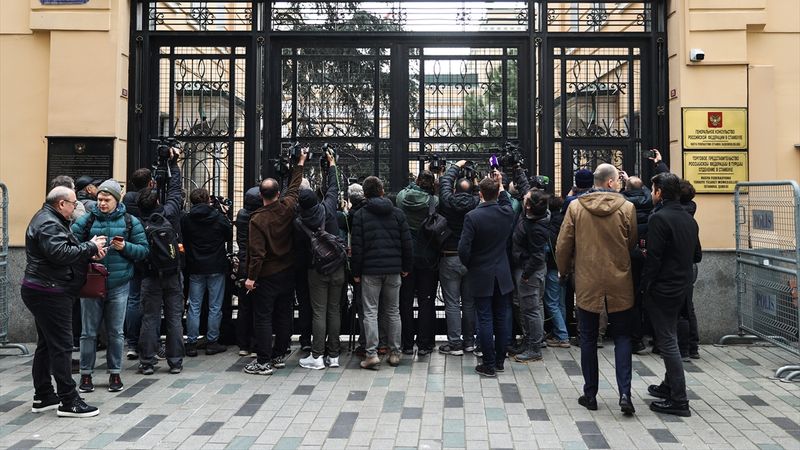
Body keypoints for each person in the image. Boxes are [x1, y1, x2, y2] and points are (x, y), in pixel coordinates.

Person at [556, 163, 638, 415]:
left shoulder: (576, 207)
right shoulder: (627, 207)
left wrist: (565, 269)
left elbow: (563, 244)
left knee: (588, 338)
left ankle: (590, 394)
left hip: (587, 279)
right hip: (619, 279)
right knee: (623, 336)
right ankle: (625, 393)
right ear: (611, 182)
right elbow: (631, 241)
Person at [21, 186, 104, 417]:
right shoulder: (48, 222)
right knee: (62, 346)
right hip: (49, 291)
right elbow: (59, 253)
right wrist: (90, 247)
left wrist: (89, 251)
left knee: (48, 344)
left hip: (45, 288)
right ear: (61, 204)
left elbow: (65, 250)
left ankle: (44, 395)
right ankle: (69, 401)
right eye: (74, 203)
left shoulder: (51, 219)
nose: (76, 207)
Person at [71, 179, 149, 393]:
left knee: (116, 332)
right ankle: (85, 375)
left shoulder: (130, 222)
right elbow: (71, 247)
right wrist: (90, 250)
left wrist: (125, 247)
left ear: (117, 200)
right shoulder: (86, 221)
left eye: (106, 200)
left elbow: (143, 251)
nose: (102, 203)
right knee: (88, 333)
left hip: (119, 283)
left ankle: (115, 373)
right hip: (91, 282)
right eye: (99, 199)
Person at [643, 173, 702, 417]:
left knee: (667, 340)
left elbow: (654, 258)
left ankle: (679, 399)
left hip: (663, 287)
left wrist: (645, 285)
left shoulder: (659, 219)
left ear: (658, 192)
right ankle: (669, 386)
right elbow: (697, 255)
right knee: (672, 338)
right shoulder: (689, 219)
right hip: (682, 284)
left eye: (653, 189)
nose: (651, 193)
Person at [243, 149, 307, 376]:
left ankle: (263, 360)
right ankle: (280, 352)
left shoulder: (257, 219)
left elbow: (257, 253)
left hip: (267, 274)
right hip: (287, 270)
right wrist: (300, 163)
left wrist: (251, 277)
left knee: (263, 317)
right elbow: (295, 187)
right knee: (283, 313)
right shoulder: (287, 207)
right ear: (277, 193)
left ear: (261, 195)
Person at [351, 176, 413, 370]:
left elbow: (357, 247)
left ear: (366, 194)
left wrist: (356, 271)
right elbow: (407, 243)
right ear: (382, 191)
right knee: (393, 311)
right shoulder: (397, 213)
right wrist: (406, 267)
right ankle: (395, 352)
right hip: (394, 270)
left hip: (370, 270)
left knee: (370, 312)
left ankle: (371, 354)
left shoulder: (360, 215)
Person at [458, 171, 516, 377]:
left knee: (484, 318)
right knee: (501, 317)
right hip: (502, 273)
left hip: (481, 273)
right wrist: (500, 185)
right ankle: (500, 360)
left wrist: (471, 264)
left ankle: (488, 363)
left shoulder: (473, 217)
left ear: (480, 193)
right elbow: (507, 201)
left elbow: (463, 249)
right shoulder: (506, 213)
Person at [135, 150, 185, 375]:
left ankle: (147, 361)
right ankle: (175, 362)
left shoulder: (136, 221)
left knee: (150, 318)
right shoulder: (170, 213)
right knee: (174, 318)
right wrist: (174, 165)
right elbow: (175, 191)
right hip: (173, 273)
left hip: (149, 274)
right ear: (157, 200)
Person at [297, 152, 346, 369]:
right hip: (337, 267)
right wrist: (332, 164)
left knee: (319, 311)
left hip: (316, 269)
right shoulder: (328, 209)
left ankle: (317, 355)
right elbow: (334, 187)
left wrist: (298, 165)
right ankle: (333, 355)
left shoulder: (297, 222)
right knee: (334, 309)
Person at [181, 187, 233, 356]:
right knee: (215, 306)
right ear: (207, 200)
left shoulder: (186, 219)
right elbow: (229, 234)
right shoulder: (218, 218)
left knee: (194, 306)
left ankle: (191, 342)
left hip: (195, 266)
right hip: (216, 266)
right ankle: (212, 341)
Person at [437, 161, 480, 356]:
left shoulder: (447, 202)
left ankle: (455, 343)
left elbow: (445, 182)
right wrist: (477, 183)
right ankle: (470, 342)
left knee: (452, 303)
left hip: (449, 256)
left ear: (455, 189)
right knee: (470, 303)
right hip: (470, 259)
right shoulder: (477, 203)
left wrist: (455, 166)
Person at [396, 170, 439, 355]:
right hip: (428, 257)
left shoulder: (401, 197)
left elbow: (402, 195)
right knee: (426, 302)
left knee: (404, 301)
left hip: (406, 257)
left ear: (417, 181)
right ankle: (424, 344)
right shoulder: (434, 202)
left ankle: (406, 343)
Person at [510, 188, 550, 362]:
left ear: (527, 206)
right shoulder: (533, 216)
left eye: (525, 198)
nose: (523, 196)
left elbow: (537, 256)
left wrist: (526, 274)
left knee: (531, 310)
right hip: (527, 268)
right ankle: (529, 342)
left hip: (530, 272)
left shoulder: (536, 228)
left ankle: (534, 347)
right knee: (527, 308)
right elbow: (525, 190)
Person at [121, 167, 155, 360]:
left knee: (133, 299)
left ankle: (132, 343)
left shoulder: (126, 202)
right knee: (152, 301)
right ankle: (152, 342)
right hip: (150, 258)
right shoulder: (151, 200)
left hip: (131, 255)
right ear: (150, 182)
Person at [235, 186, 261, 357]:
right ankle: (256, 342)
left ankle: (243, 344)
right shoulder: (260, 217)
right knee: (259, 307)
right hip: (256, 264)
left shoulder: (242, 215)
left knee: (244, 306)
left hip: (243, 263)